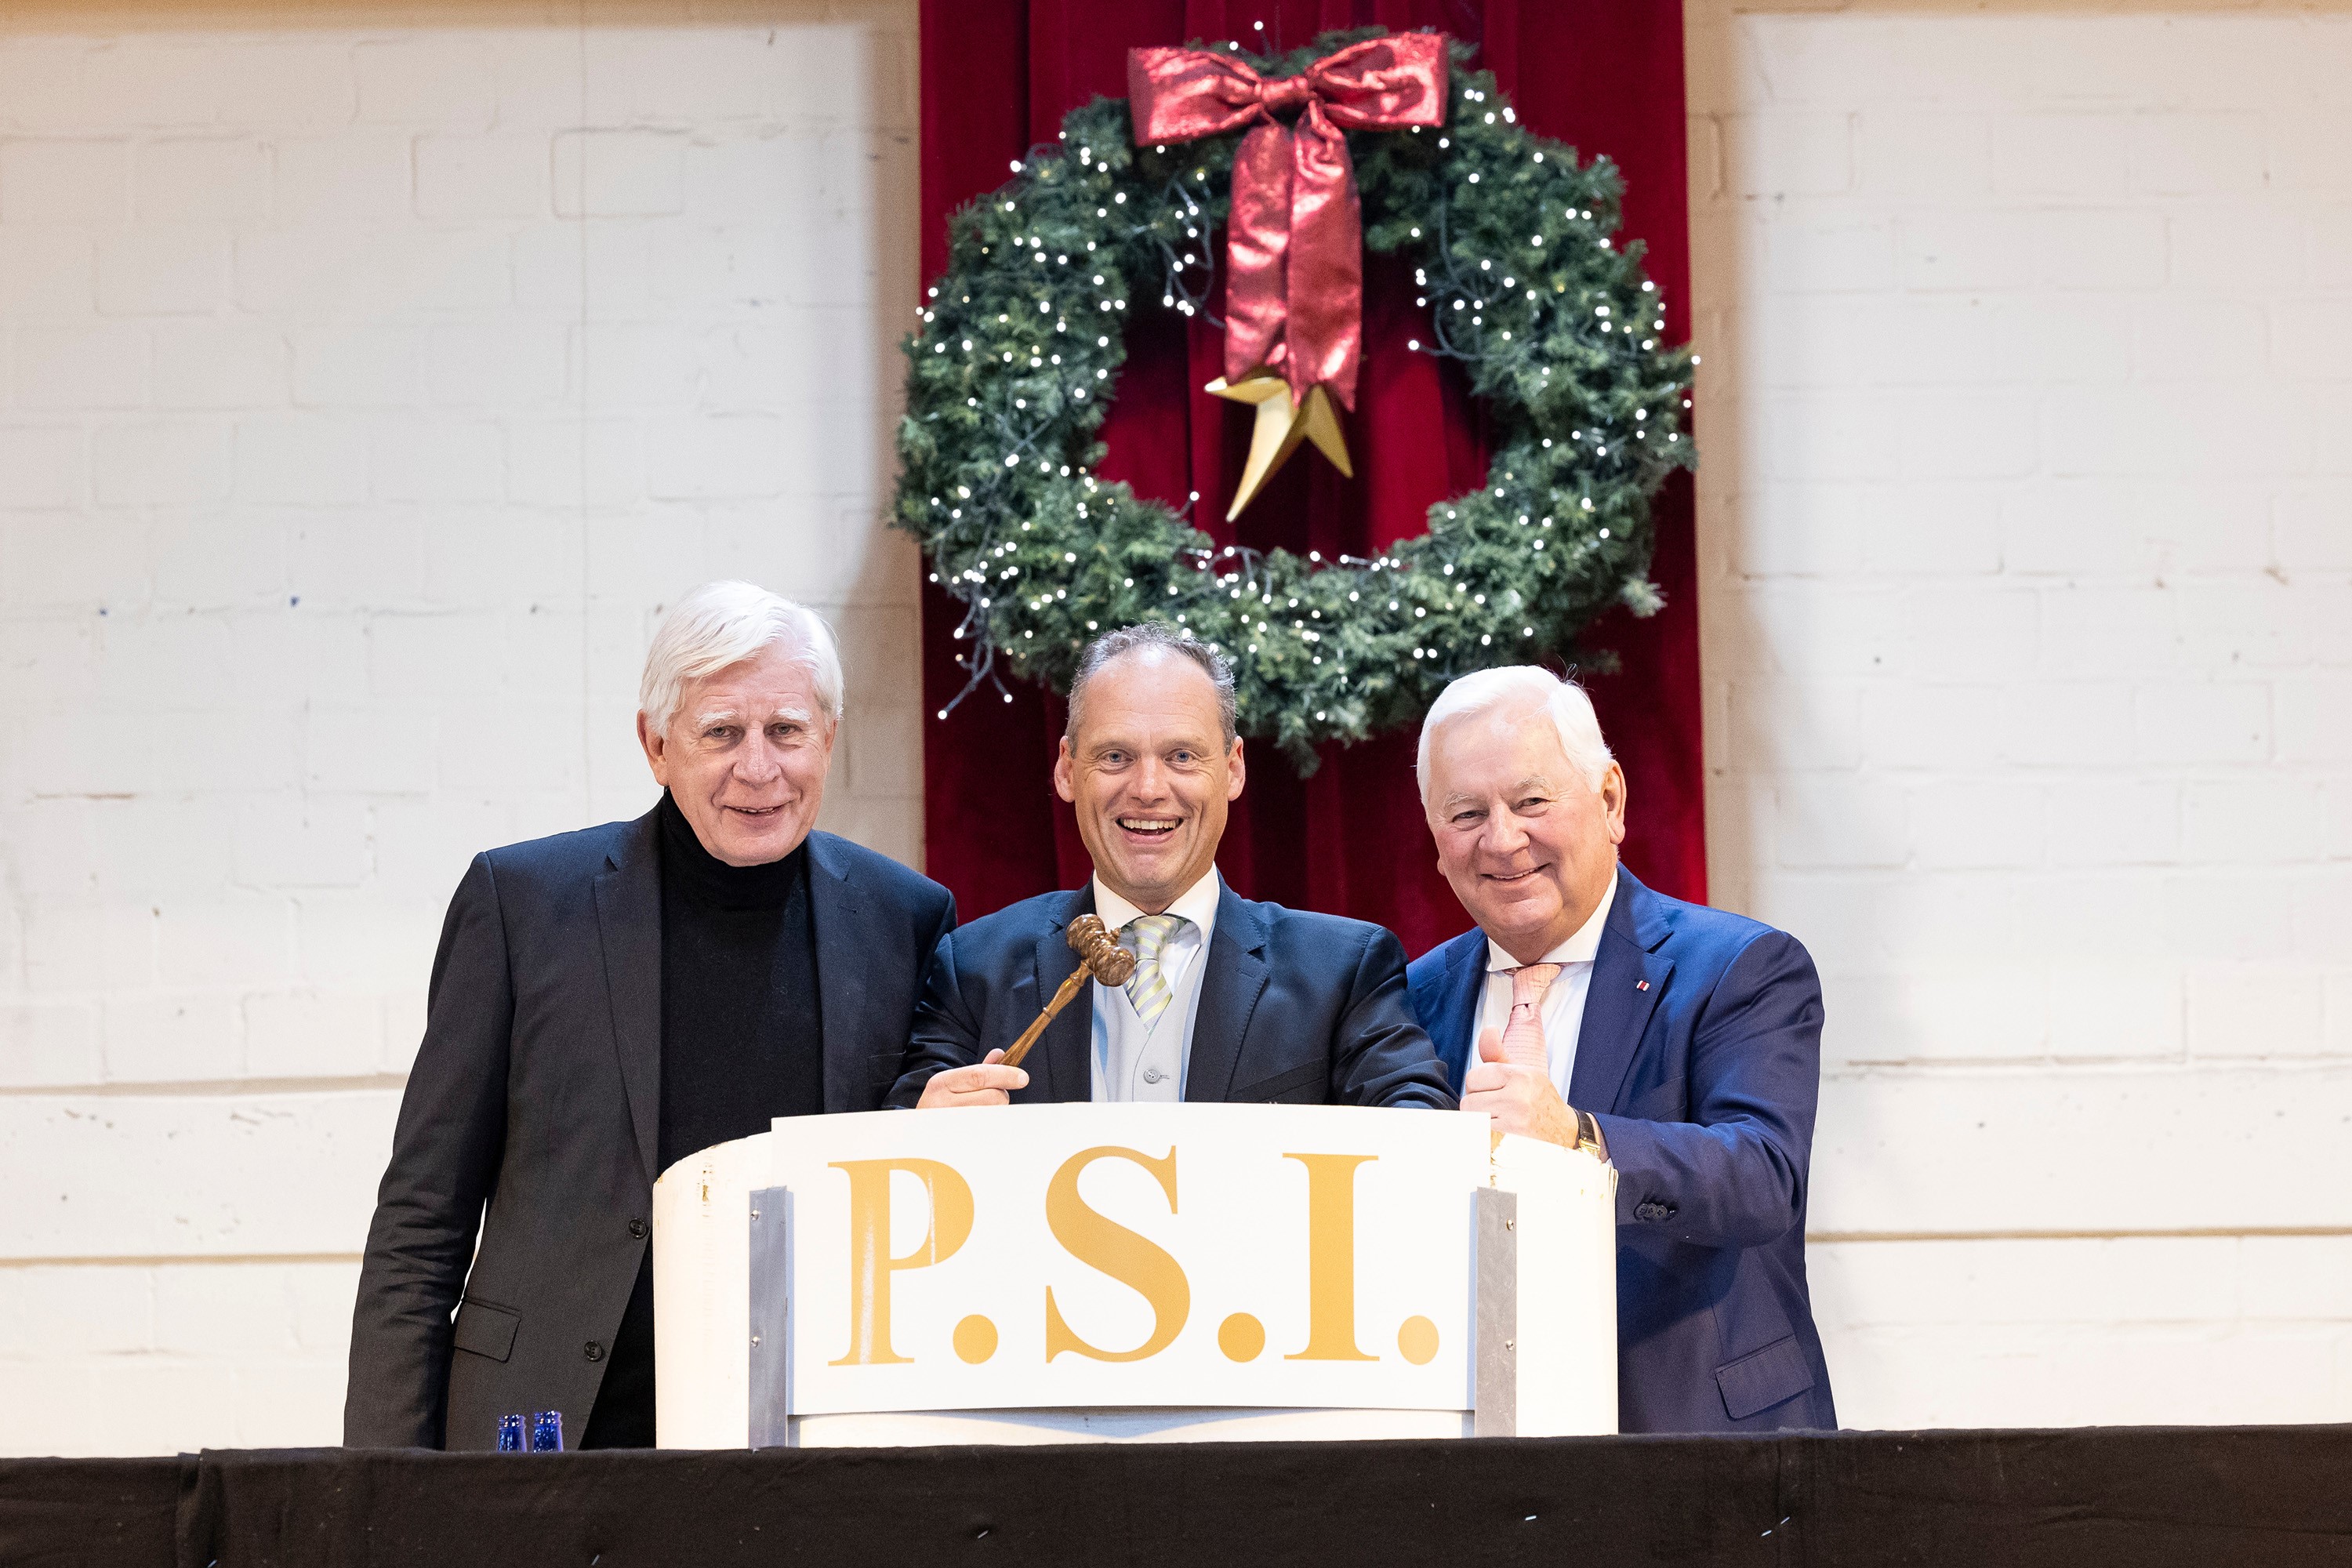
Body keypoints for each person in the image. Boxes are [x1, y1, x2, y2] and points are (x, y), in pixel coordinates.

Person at [345, 581, 955, 1450]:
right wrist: (381, 1482)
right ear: (656, 744)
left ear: (828, 737)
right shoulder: (521, 904)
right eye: (721, 732)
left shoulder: (908, 919)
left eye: (786, 730)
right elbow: (421, 1219)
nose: (758, 768)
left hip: (809, 1442)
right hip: (551, 1440)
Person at [1406, 666, 1835, 1433]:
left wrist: (1577, 1136)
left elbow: (1763, 1178)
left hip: (1700, 1444)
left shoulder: (1741, 967)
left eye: (1532, 801)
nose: (1502, 839)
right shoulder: (1409, 997)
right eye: (1467, 813)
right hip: (1476, 1447)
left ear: (1610, 800)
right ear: (1436, 840)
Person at [891, 623, 1452, 1111]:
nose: (1149, 789)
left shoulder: (1345, 971)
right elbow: (895, 1149)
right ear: (1066, 770)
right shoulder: (972, 970)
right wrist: (919, 1127)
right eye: (1116, 756)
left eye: (1182, 756)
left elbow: (1420, 1129)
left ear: (1233, 769)